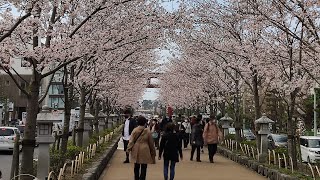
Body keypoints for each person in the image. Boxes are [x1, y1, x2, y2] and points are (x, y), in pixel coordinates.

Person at [127, 116, 156, 180]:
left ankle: (136, 178)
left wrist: (128, 149)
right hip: (145, 149)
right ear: (145, 122)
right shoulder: (148, 131)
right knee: (144, 166)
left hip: (136, 148)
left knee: (136, 166)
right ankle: (142, 178)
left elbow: (131, 141)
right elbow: (151, 143)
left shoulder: (135, 130)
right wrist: (153, 152)